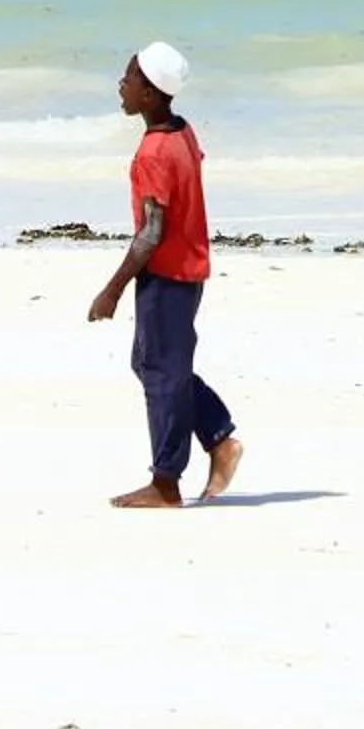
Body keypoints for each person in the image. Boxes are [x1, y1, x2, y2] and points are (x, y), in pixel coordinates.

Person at [87, 41, 244, 509]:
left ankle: (166, 482)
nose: (122, 84)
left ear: (151, 93)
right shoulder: (182, 132)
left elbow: (150, 233)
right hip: (189, 268)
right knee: (157, 367)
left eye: (130, 77)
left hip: (167, 273)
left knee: (160, 374)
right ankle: (219, 439)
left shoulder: (154, 151)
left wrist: (111, 291)